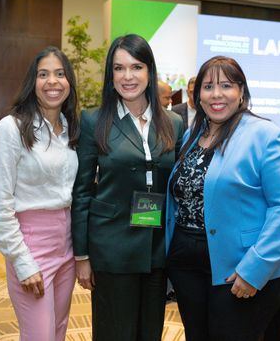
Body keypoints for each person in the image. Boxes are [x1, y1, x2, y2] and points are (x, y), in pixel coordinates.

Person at [165, 56, 280, 341]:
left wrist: (255, 269)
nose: (216, 94)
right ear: (197, 94)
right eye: (208, 86)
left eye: (226, 85)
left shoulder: (266, 135)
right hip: (188, 267)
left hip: (239, 269)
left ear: (241, 92)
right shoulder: (193, 134)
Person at [71, 34, 184, 341]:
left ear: (149, 72)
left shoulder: (173, 123)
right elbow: (81, 191)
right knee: (114, 332)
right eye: (119, 68)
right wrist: (81, 255)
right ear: (111, 74)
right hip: (112, 246)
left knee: (150, 331)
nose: (128, 76)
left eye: (136, 67)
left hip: (155, 246)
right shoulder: (95, 120)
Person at [0, 46, 79, 341]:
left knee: (58, 329)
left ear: (69, 82)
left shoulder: (70, 129)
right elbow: (1, 206)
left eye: (60, 74)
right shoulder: (9, 130)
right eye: (43, 74)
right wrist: (21, 260)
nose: (52, 81)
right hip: (30, 245)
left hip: (66, 246)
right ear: (33, 82)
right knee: (39, 336)